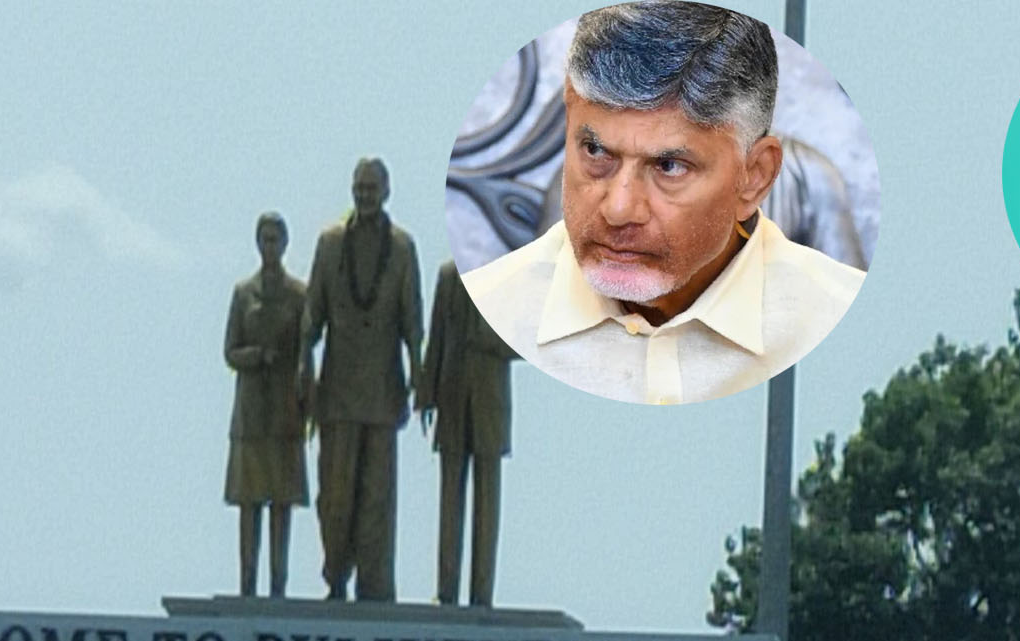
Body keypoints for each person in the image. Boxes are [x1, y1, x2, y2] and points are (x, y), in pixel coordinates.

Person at [461, 0, 862, 406]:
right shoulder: (490, 310)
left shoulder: (837, 315)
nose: (619, 209)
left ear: (754, 177)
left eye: (669, 166)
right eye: (596, 151)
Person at [301, 157, 421, 601]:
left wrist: (418, 373)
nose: (365, 195)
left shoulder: (402, 248)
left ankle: (375, 584)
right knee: (335, 494)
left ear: (386, 192)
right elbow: (312, 316)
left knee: (376, 496)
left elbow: (412, 320)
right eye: (359, 187)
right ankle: (336, 576)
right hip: (337, 390)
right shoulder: (330, 243)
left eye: (372, 188)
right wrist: (303, 369)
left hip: (383, 390)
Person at [417, 261, 516, 606]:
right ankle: (447, 590)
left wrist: (487, 337)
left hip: (490, 400)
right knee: (450, 499)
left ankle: (481, 594)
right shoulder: (448, 275)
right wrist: (427, 392)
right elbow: (437, 335)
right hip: (452, 394)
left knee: (487, 501)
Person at [222, 212, 310, 598]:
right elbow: (229, 351)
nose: (270, 247)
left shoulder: (299, 295)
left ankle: (278, 584)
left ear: (285, 244)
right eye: (265, 239)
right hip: (251, 410)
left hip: (285, 409)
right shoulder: (244, 293)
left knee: (282, 501)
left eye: (275, 240)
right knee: (249, 501)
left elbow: (307, 350)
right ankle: (247, 583)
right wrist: (256, 356)